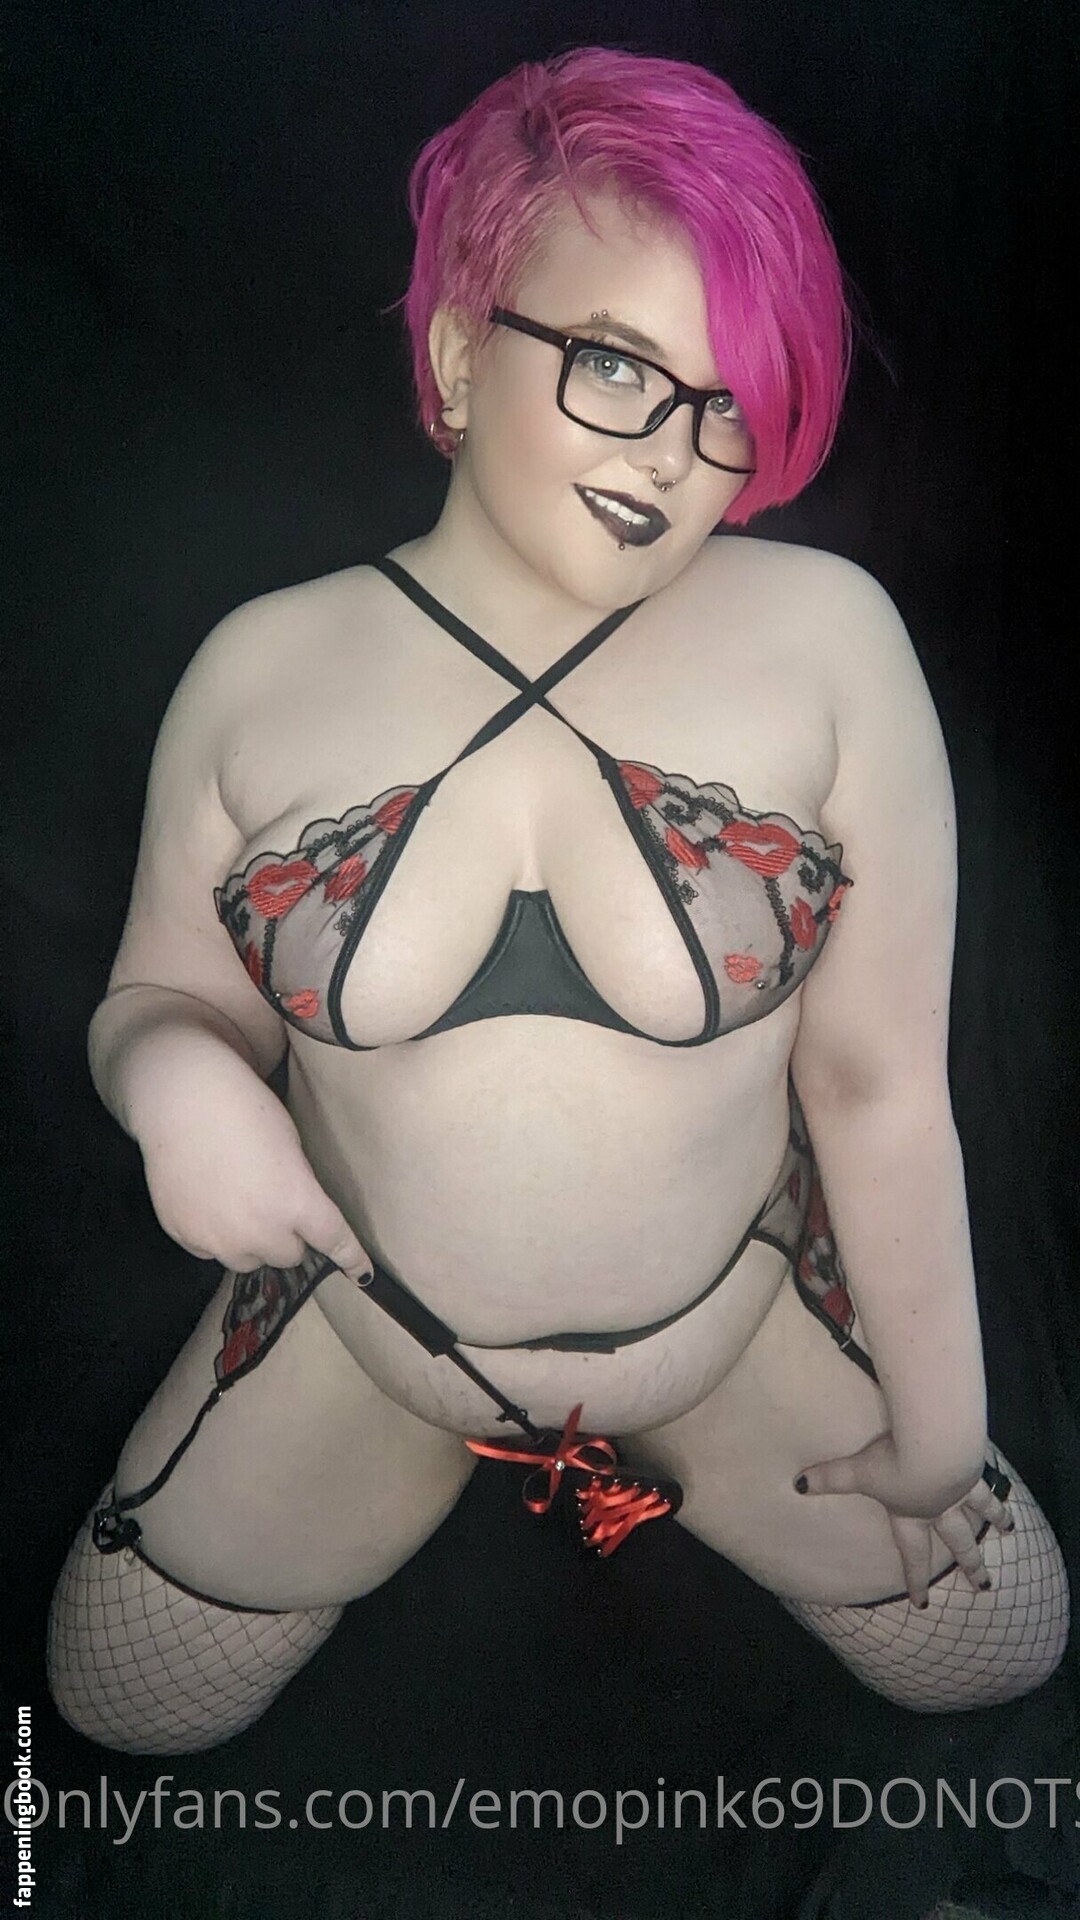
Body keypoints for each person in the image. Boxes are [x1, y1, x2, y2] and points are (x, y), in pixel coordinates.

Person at [47, 46, 1068, 1755]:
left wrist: (942, 1415)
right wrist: (172, 1083)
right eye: (614, 366)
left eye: (726, 403)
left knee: (1008, 1649)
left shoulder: (829, 642)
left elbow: (878, 1083)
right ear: (461, 352)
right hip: (369, 1344)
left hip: (732, 1341)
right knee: (115, 1709)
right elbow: (157, 998)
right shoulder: (259, 670)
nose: (674, 454)